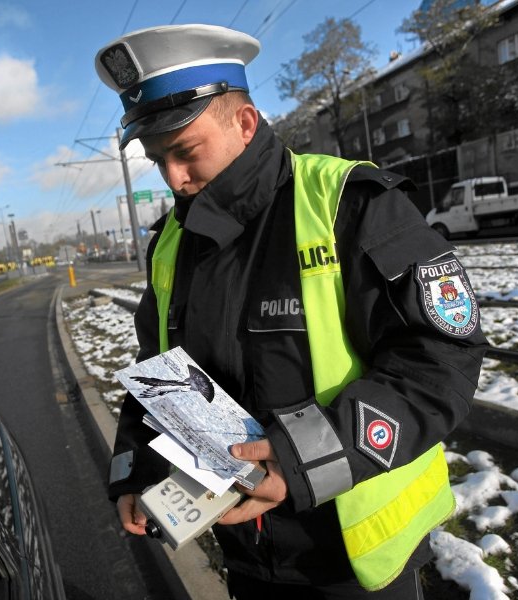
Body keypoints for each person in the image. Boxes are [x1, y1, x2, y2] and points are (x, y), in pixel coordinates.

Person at [95, 24, 489, 599]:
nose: (174, 180)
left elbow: (441, 356)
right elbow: (158, 371)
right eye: (158, 161)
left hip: (354, 561)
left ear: (245, 123)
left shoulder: (353, 205)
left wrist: (307, 457)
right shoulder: (170, 243)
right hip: (244, 552)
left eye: (185, 153)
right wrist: (138, 469)